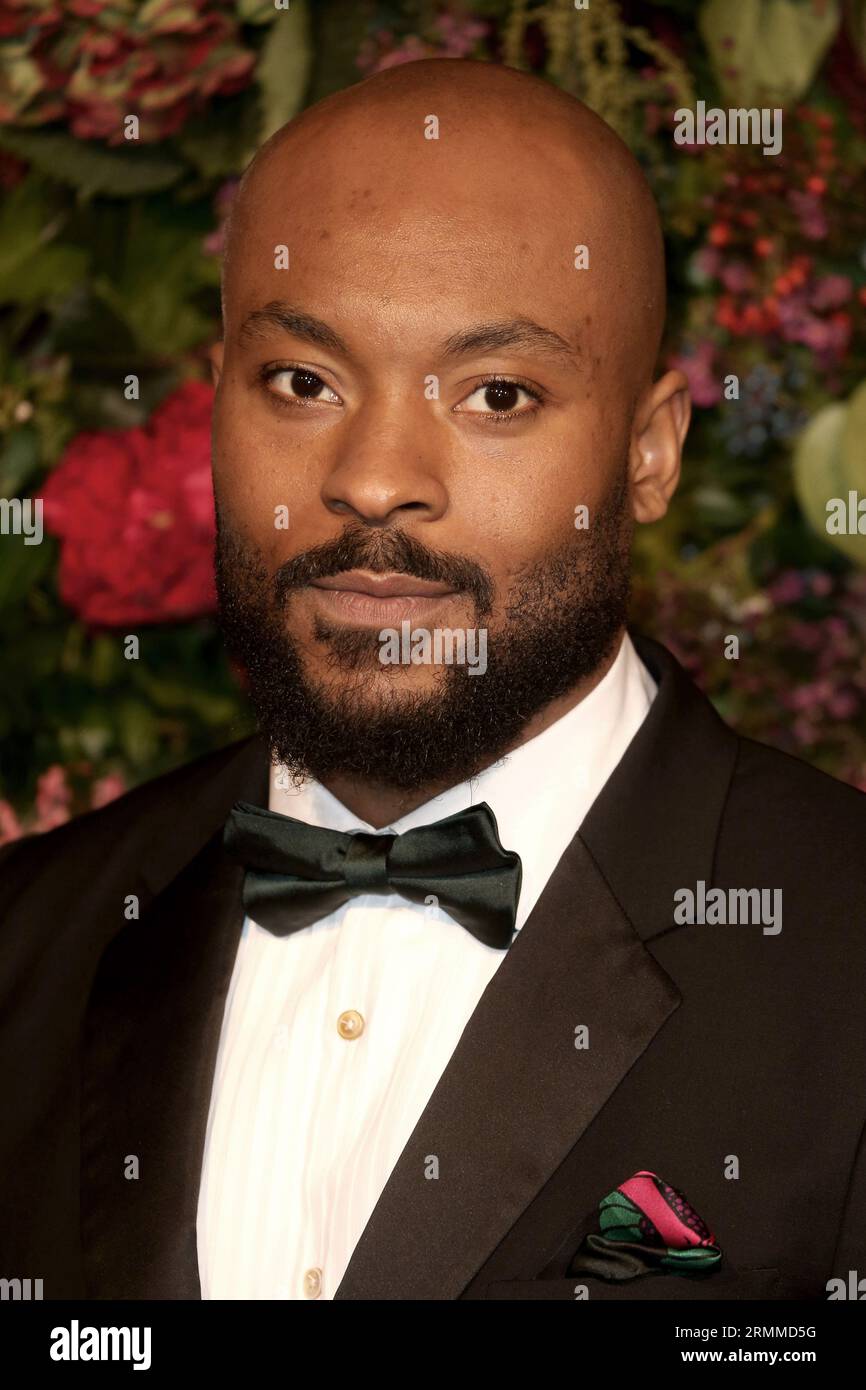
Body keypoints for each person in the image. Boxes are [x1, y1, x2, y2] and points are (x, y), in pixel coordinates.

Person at [1, 58, 864, 1303]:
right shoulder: (32, 941)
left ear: (648, 453)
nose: (371, 475)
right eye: (303, 382)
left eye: (496, 394)